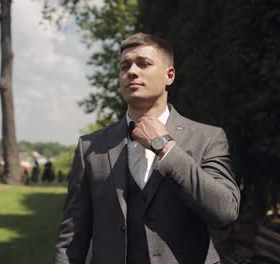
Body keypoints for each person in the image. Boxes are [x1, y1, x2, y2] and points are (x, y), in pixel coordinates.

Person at [53, 33, 241, 264]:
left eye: (144, 64)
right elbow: (72, 236)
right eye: (125, 66)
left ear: (169, 75)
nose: (131, 71)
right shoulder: (90, 147)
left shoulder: (207, 138)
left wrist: (165, 147)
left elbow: (225, 212)